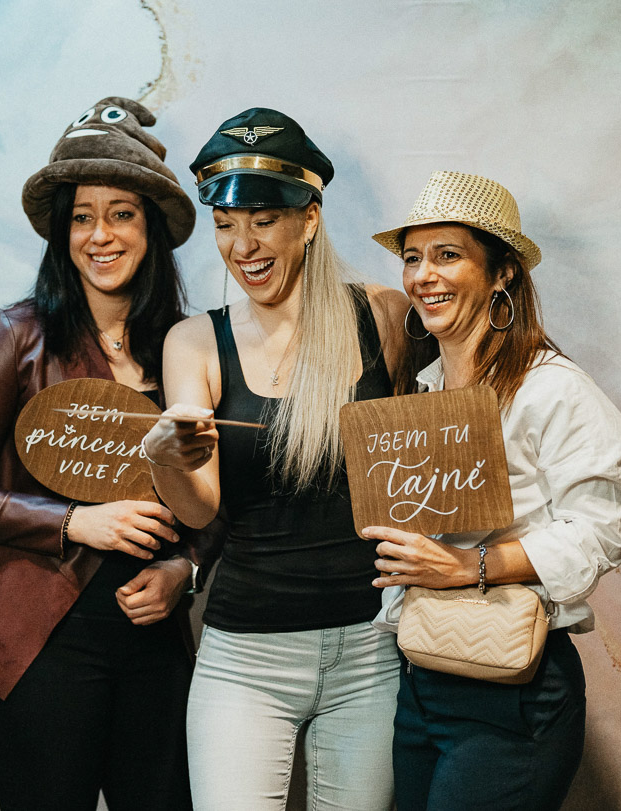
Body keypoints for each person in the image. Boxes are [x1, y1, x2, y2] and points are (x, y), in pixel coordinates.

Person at [0, 97, 199, 811]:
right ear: (61, 231)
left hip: (153, 644)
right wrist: (75, 522)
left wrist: (186, 567)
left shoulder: (188, 349)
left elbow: (217, 494)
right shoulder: (16, 336)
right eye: (82, 216)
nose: (99, 235)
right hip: (37, 642)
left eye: (120, 214)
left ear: (152, 229)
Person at [141, 108, 410, 810]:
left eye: (263, 219)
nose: (242, 245)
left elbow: (431, 445)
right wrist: (168, 460)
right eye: (226, 225)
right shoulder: (194, 343)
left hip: (370, 653)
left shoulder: (383, 315)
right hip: (246, 656)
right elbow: (201, 506)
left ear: (310, 217)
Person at [364, 170, 621, 810]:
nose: (423, 275)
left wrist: (469, 565)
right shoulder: (424, 391)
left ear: (502, 272)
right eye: (412, 258)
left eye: (447, 255)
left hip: (514, 687)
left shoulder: (552, 388)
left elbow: (601, 529)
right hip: (423, 675)